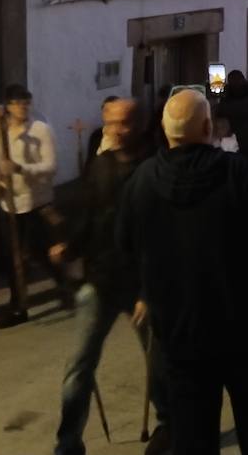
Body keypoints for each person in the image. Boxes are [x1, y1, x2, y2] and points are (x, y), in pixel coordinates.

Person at [117, 90, 248, 455]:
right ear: (207, 127)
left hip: (184, 334)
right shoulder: (237, 173)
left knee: (194, 437)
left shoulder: (142, 182)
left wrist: (143, 296)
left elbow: (125, 250)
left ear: (167, 132)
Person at [52, 97, 171, 455]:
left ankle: (170, 426)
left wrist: (149, 292)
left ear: (139, 125)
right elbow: (89, 216)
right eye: (109, 123)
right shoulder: (100, 165)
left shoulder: (155, 170)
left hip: (141, 285)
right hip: (100, 281)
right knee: (79, 365)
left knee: (160, 366)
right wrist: (69, 247)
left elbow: (160, 237)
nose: (113, 130)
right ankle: (68, 442)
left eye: (122, 123)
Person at [0, 84, 70, 328]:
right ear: (8, 106)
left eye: (26, 103)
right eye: (17, 103)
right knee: (13, 258)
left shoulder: (41, 130)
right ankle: (18, 308)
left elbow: (51, 167)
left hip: (37, 202)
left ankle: (64, 284)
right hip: (9, 205)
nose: (22, 108)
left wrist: (21, 169)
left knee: (42, 252)